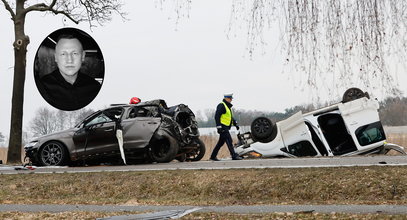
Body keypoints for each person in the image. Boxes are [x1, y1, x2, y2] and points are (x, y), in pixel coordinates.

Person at [38, 34, 101, 111]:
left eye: (74, 53)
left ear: (83, 56)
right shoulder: (42, 88)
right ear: (56, 57)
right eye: (63, 54)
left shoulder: (95, 87)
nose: (70, 60)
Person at [210, 93, 243, 161]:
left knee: (220, 143)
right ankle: (234, 155)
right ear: (226, 98)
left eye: (231, 99)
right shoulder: (221, 105)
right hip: (222, 127)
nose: (231, 100)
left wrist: (235, 123)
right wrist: (219, 126)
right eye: (230, 99)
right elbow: (217, 116)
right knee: (229, 140)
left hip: (225, 127)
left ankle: (213, 156)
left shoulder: (228, 107)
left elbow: (229, 117)